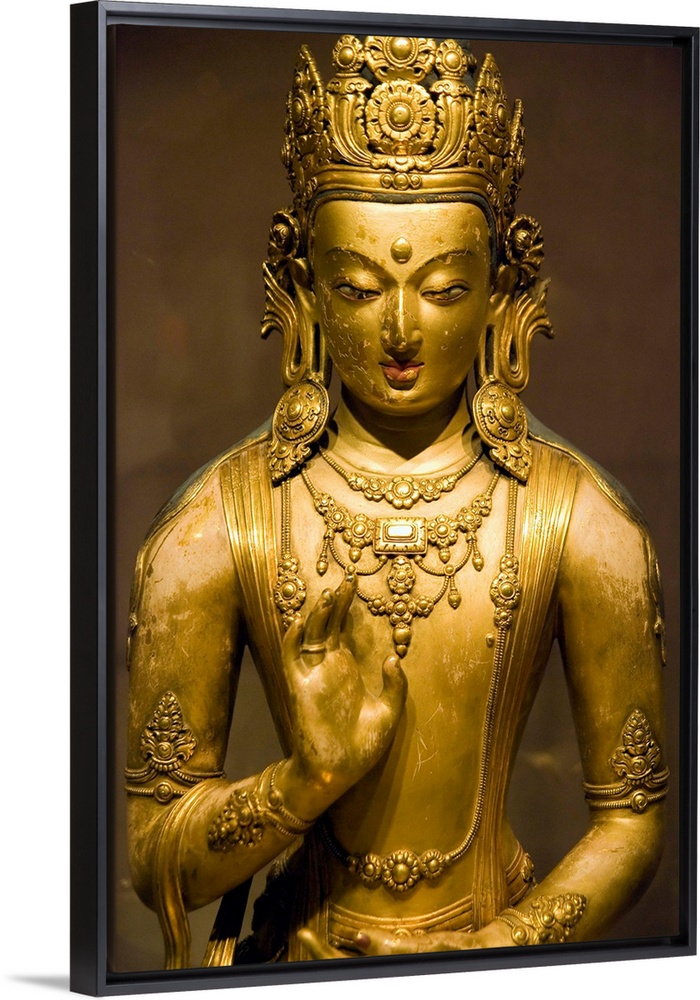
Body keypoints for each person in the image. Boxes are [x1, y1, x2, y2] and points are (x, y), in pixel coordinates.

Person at [125, 34, 668, 969]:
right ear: (302, 286)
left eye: (445, 288)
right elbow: (152, 854)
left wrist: (493, 948)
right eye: (360, 287)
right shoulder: (219, 524)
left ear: (501, 288)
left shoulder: (580, 521)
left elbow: (634, 817)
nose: (403, 329)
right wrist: (305, 781)